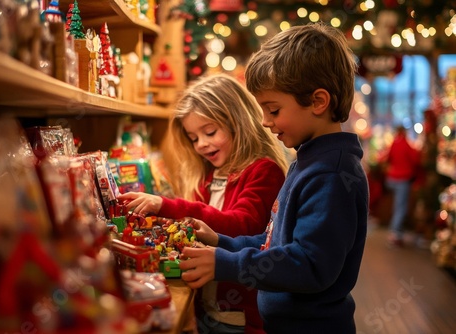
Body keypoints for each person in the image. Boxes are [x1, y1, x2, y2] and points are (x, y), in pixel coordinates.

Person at [178, 22, 369, 333]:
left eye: (274, 110)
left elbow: (308, 265)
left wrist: (225, 264)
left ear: (319, 102)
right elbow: (273, 241)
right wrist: (221, 242)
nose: (265, 122)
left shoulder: (332, 175)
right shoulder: (308, 161)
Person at [119, 73, 289, 334]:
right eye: (193, 137)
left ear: (238, 122)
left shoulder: (264, 171)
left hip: (240, 317)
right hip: (206, 311)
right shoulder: (207, 176)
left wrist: (167, 205)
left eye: (210, 132)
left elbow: (242, 225)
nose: (201, 144)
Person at [382, 125, 421, 247]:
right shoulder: (405, 143)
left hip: (391, 179)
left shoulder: (394, 143)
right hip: (402, 179)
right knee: (401, 207)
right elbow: (415, 160)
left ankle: (396, 231)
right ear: (404, 132)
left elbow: (387, 158)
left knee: (397, 205)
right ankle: (395, 234)